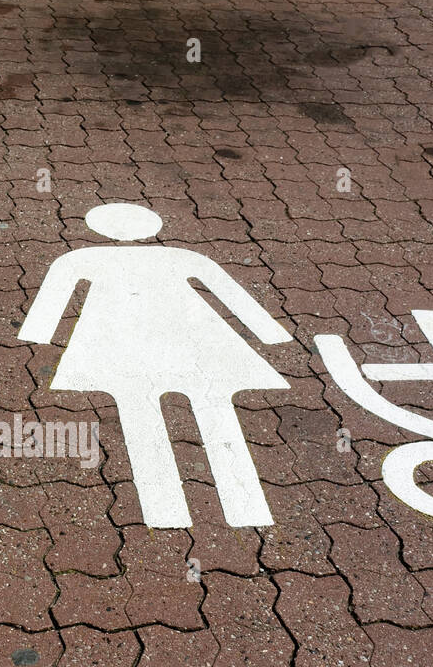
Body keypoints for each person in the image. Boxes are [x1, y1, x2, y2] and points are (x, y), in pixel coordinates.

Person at [19, 203, 292, 527]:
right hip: (194, 338)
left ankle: (165, 509)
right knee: (215, 405)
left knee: (138, 410)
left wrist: (39, 335)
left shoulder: (84, 257)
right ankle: (245, 506)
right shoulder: (181, 257)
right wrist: (270, 333)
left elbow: (54, 296)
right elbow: (230, 294)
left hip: (118, 341)